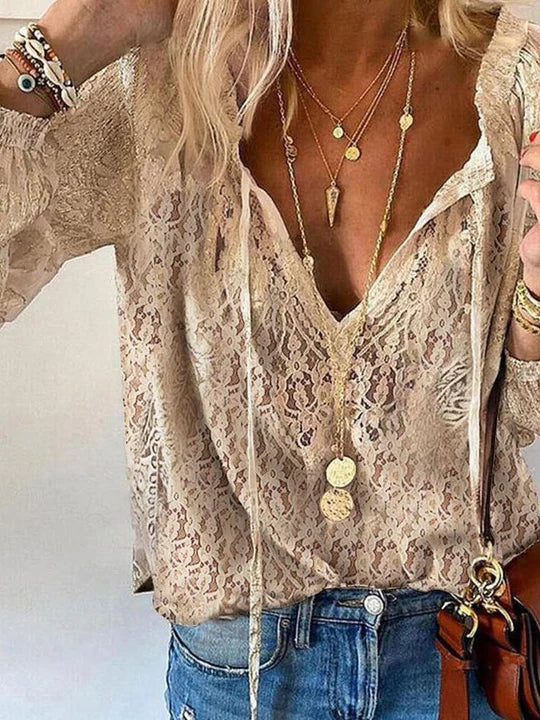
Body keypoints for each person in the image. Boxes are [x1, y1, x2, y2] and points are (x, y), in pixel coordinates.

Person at [1, 0, 539, 718]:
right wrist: (69, 39)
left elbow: (518, 413)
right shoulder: (159, 88)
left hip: (465, 655)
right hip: (239, 676)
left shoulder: (516, 82)